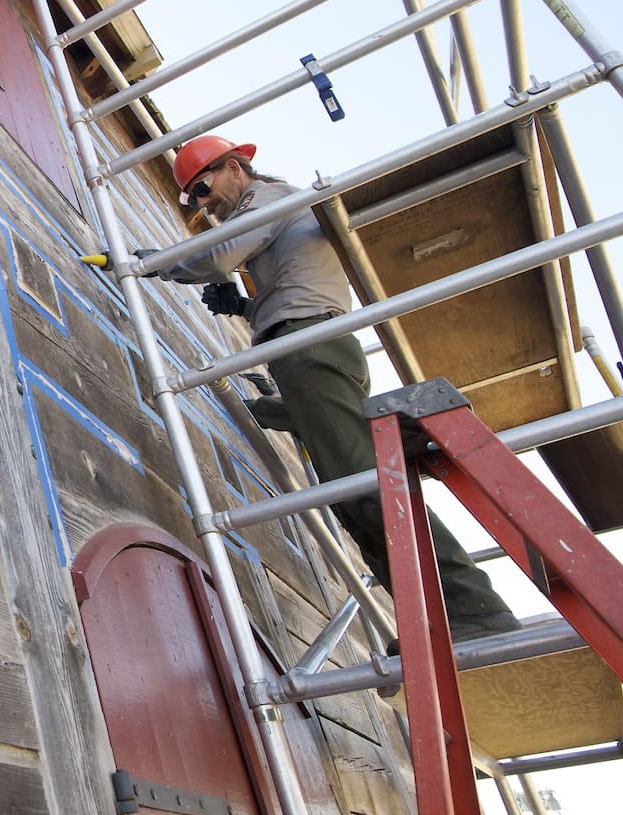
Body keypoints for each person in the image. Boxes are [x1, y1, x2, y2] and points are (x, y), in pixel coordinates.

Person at [139, 134, 519, 643]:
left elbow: (213, 258)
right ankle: (433, 618)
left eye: (203, 190)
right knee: (351, 498)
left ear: (234, 168)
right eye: (194, 200)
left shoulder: (267, 199)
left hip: (310, 349)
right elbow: (296, 294)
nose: (204, 205)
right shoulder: (274, 217)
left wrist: (152, 262)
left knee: (363, 487)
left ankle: (473, 606)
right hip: (306, 348)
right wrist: (243, 308)